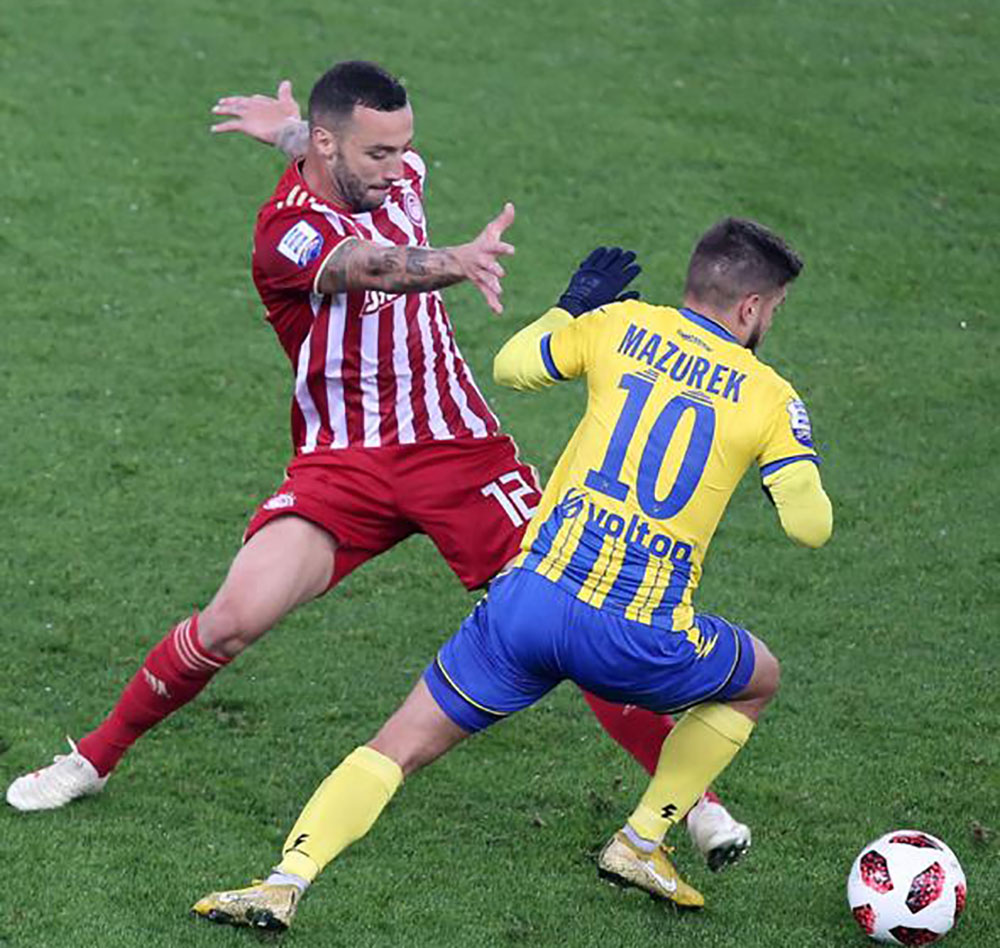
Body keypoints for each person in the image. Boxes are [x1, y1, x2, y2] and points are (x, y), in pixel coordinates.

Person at [4, 61, 747, 868]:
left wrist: (285, 130)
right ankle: (92, 760)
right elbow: (369, 267)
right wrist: (459, 259)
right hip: (344, 464)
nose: (399, 169)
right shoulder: (286, 232)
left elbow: (338, 155)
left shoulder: (383, 167)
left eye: (402, 149)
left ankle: (697, 807)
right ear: (329, 148)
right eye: (379, 154)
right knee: (231, 618)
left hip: (460, 452)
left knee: (566, 613)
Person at [192, 218, 833, 932]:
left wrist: (570, 308)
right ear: (750, 306)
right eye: (774, 308)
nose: (770, 321)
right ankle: (641, 840)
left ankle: (285, 880)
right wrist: (788, 466)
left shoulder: (621, 326)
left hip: (525, 608)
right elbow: (810, 527)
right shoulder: (770, 395)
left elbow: (513, 366)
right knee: (758, 678)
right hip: (634, 634)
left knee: (394, 748)